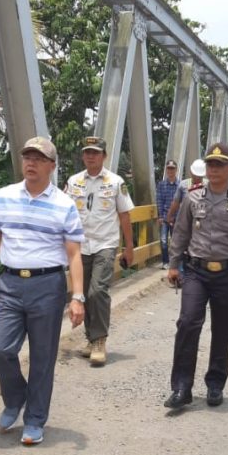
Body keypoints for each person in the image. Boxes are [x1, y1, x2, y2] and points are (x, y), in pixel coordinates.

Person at [0, 136, 86, 446]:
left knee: (43, 357)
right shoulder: (4, 196)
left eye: (39, 158)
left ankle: (35, 419)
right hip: (9, 283)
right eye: (27, 157)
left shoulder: (64, 204)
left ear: (51, 166)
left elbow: (74, 253)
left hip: (48, 285)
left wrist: (77, 297)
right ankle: (15, 396)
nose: (31, 163)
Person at [164, 142, 228, 410]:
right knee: (187, 323)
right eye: (210, 164)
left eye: (220, 165)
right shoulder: (193, 197)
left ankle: (215, 384)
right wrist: (173, 264)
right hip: (195, 271)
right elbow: (181, 232)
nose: (214, 169)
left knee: (222, 329)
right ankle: (182, 388)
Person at [64, 136, 134, 366]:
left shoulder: (115, 182)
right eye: (87, 152)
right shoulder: (73, 181)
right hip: (80, 246)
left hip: (105, 244)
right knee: (82, 293)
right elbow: (63, 212)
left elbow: (125, 215)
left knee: (97, 292)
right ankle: (91, 338)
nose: (91, 156)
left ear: (104, 156)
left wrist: (128, 248)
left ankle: (100, 340)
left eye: (95, 152)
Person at [165, 159, 205, 226]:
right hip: (199, 221)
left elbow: (175, 203)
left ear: (191, 171)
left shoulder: (183, 184)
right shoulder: (209, 185)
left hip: (189, 221)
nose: (197, 178)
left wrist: (169, 216)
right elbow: (175, 203)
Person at [156, 160, 181, 268]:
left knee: (176, 241)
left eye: (172, 168)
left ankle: (175, 262)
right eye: (169, 168)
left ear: (176, 170)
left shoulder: (181, 185)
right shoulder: (161, 185)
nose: (170, 170)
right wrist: (160, 216)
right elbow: (159, 201)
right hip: (165, 217)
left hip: (177, 218)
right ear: (166, 170)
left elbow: (183, 202)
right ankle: (165, 262)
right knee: (164, 240)